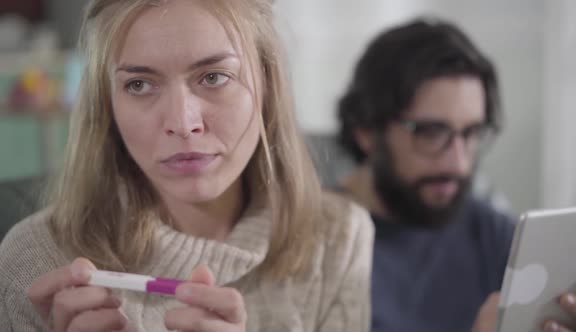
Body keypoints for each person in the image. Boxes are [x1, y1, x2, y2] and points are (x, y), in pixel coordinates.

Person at [0, 0, 374, 331]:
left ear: (268, 87)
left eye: (214, 77)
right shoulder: (37, 260)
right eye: (140, 85)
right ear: (107, 107)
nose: (182, 122)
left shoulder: (338, 238)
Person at [336, 18, 513, 332]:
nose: (459, 164)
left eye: (470, 133)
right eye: (432, 133)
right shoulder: (311, 244)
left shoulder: (492, 234)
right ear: (366, 129)